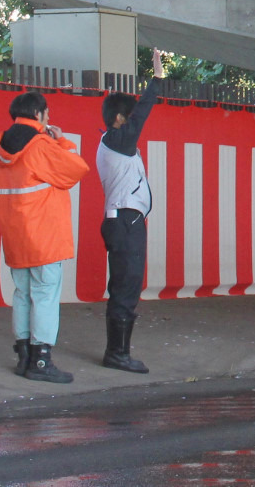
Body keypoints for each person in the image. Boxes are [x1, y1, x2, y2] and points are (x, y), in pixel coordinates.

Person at [0, 91, 90, 384]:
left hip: (16, 237)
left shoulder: (1, 149)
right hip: (44, 237)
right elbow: (76, 168)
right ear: (38, 114)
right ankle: (41, 361)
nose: (50, 118)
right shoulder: (40, 145)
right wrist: (62, 141)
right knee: (45, 296)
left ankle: (23, 357)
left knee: (22, 294)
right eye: (47, 113)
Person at [95, 49, 166, 373]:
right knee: (126, 284)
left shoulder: (117, 144)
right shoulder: (116, 139)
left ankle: (118, 351)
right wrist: (156, 77)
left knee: (127, 283)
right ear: (120, 119)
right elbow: (142, 114)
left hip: (125, 220)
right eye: (129, 116)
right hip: (125, 221)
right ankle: (117, 354)